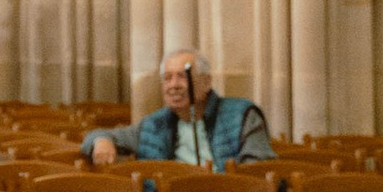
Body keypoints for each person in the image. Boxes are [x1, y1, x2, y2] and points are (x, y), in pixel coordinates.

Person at [83, 48, 275, 169]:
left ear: (207, 82)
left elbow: (260, 171)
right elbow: (98, 135)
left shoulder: (242, 115)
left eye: (182, 77)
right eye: (167, 78)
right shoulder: (154, 125)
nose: (173, 85)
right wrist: (101, 141)